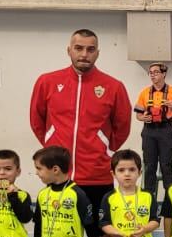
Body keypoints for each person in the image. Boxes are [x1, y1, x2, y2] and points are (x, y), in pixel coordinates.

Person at [29, 28, 131, 217]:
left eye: (90, 50)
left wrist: (105, 149)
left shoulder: (114, 86)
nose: (84, 54)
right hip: (57, 176)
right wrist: (52, 149)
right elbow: (37, 120)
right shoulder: (47, 82)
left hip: (97, 177)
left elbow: (123, 126)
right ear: (69, 50)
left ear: (97, 53)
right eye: (78, 48)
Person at [134, 63, 172, 201]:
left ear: (164, 74)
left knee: (166, 165)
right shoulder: (145, 92)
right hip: (149, 130)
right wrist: (142, 118)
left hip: (165, 130)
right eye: (150, 72)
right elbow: (138, 115)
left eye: (156, 72)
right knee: (149, 165)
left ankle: (170, 200)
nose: (152, 75)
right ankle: (148, 199)